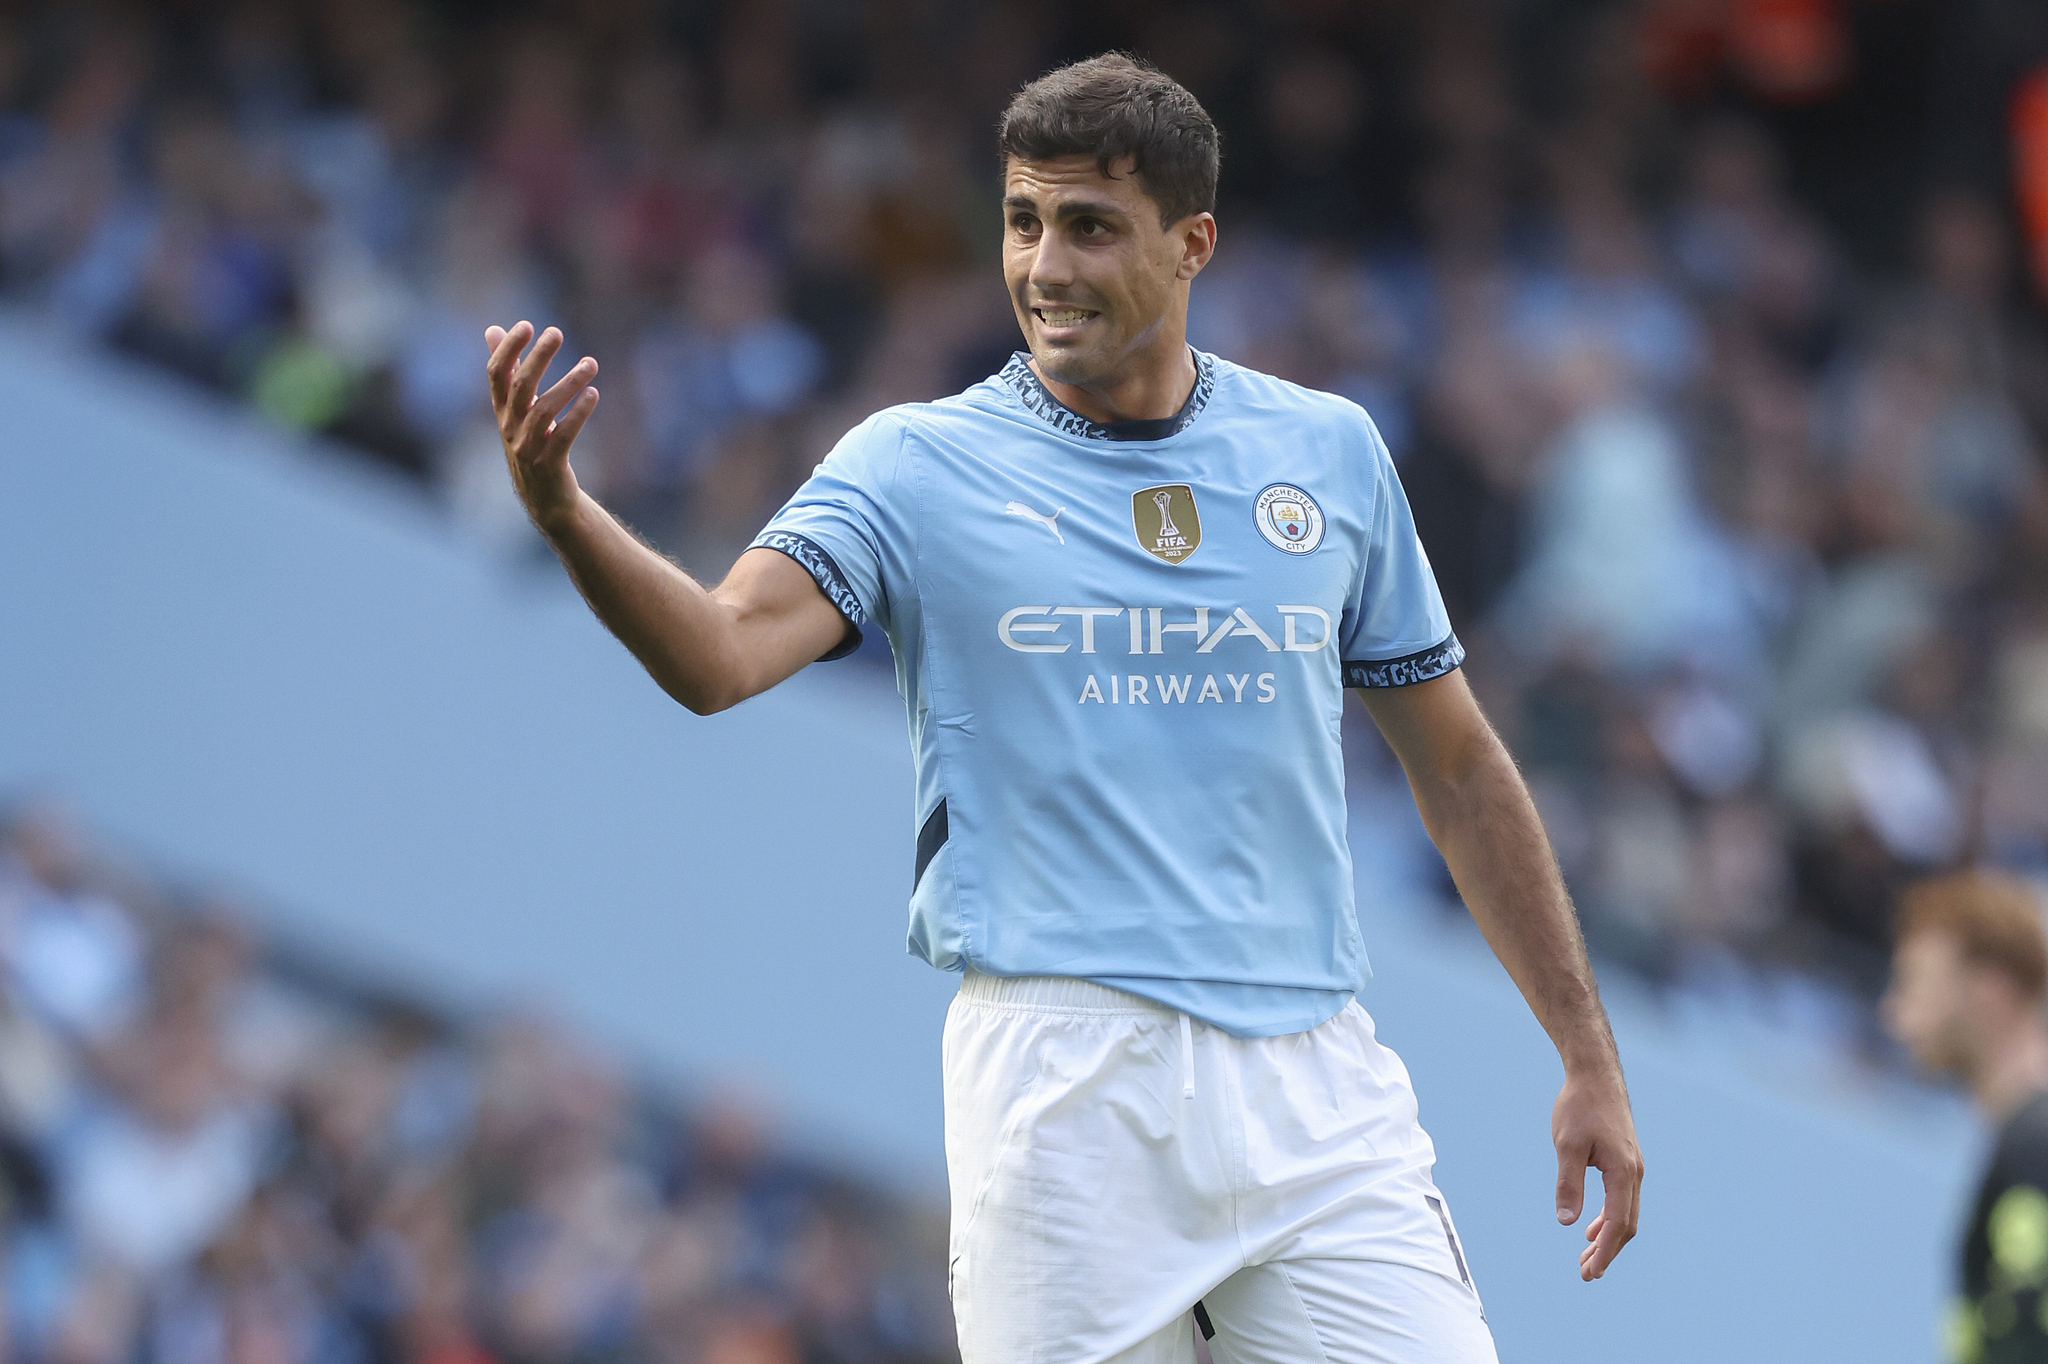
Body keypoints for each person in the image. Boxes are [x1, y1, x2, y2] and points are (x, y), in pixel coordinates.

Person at [482, 53, 1641, 1364]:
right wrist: (565, 513)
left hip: (1316, 1077)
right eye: (1024, 222)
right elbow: (718, 657)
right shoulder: (918, 466)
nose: (1043, 264)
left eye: (1089, 226)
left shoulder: (1327, 455)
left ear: (1192, 242)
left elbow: (1463, 772)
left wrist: (1585, 1054)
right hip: (1061, 1083)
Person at [1884, 871, 2048, 1364]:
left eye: (1916, 981)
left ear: (1990, 989)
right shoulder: (2021, 1142)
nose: (1893, 1011)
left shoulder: (2034, 1144)